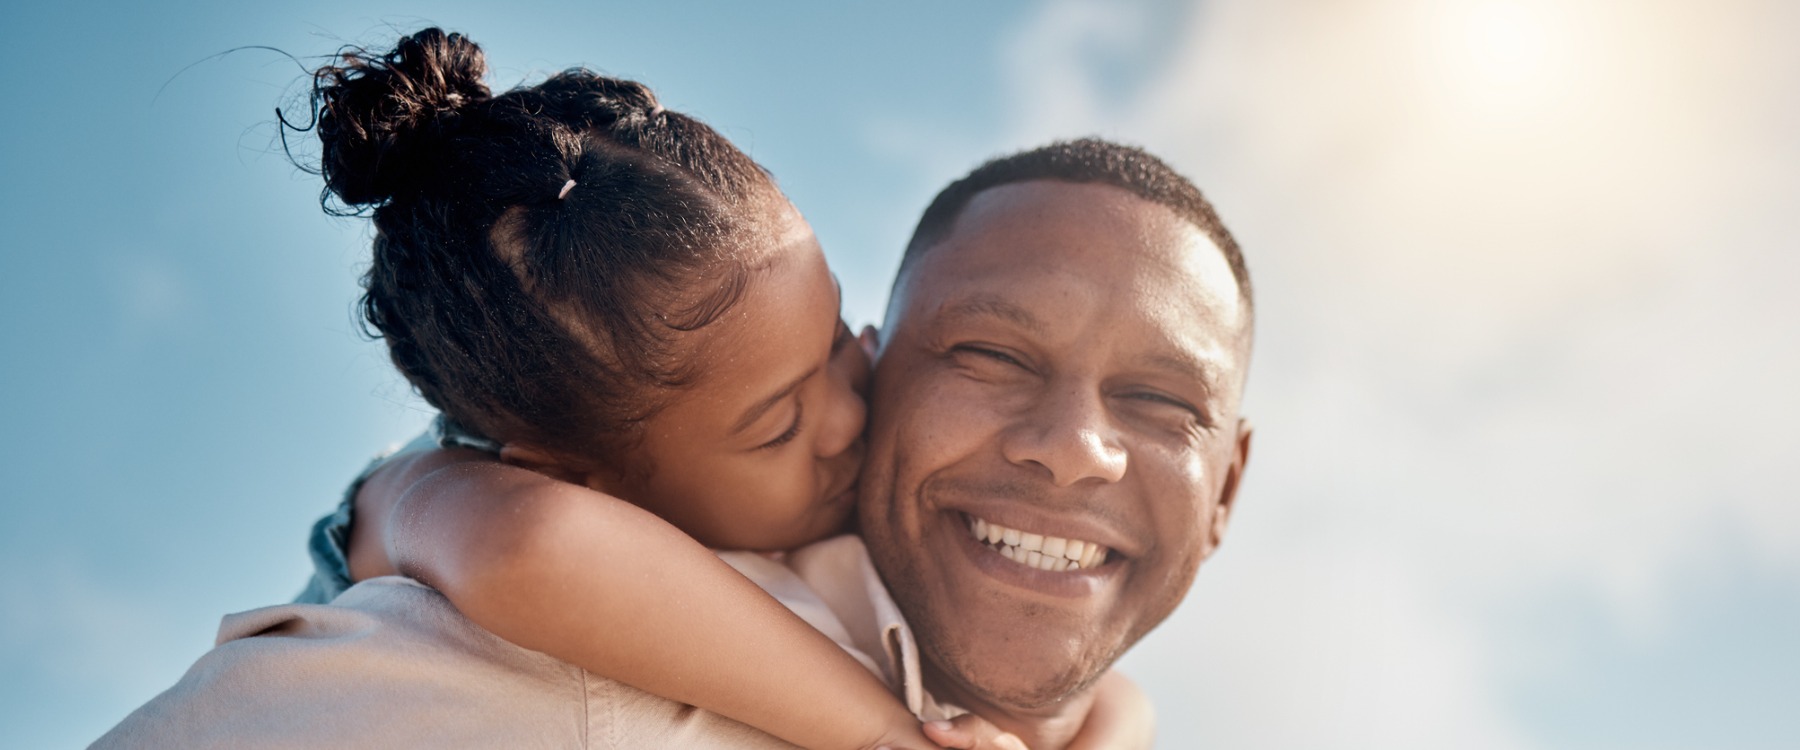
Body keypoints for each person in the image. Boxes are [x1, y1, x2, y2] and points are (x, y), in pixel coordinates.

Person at [92, 63, 1251, 749]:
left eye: (839, 348)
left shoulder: (812, 524)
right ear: (583, 472)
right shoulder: (493, 561)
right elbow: (531, 544)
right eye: (779, 422)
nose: (846, 416)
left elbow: (1119, 706)